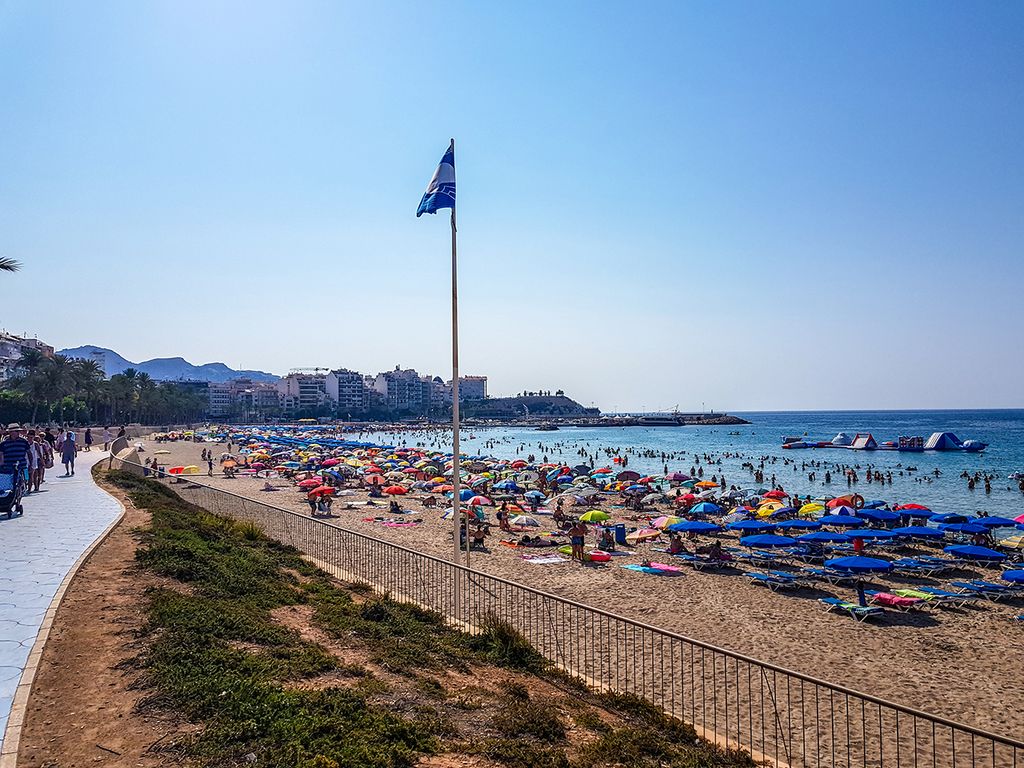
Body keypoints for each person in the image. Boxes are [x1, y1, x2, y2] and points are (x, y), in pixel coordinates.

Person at [0, 424, 31, 515]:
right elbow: (1, 456)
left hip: (23, 466)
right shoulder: (4, 443)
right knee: (11, 485)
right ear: (10, 432)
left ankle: (18, 501)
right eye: (16, 431)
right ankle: (11, 501)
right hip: (8, 468)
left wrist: (31, 465)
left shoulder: (24, 441)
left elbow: (29, 453)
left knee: (24, 483)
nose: (18, 433)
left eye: (18, 431)